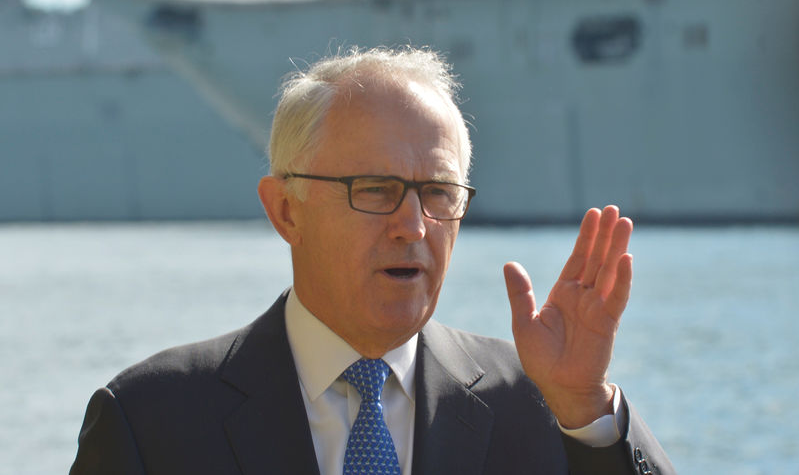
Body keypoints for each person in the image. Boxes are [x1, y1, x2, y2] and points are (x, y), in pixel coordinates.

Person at [70, 46, 675, 475]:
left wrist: (586, 409)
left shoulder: (544, 406)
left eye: (438, 193)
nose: (412, 226)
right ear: (286, 211)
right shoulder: (150, 422)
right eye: (375, 189)